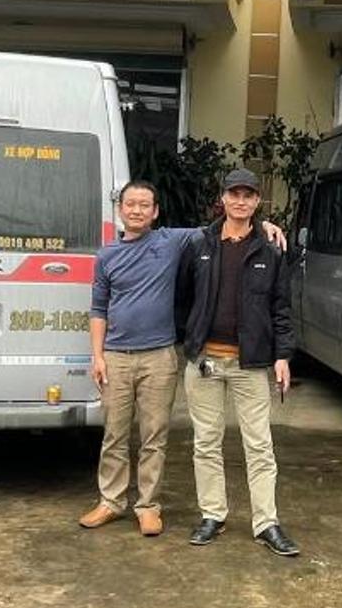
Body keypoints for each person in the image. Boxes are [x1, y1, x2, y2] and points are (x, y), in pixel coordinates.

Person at [81, 179, 281, 538]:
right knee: (114, 434)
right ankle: (110, 501)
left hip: (160, 355)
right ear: (120, 209)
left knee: (154, 435)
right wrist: (97, 355)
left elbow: (231, 224)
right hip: (115, 356)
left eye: (145, 204)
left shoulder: (173, 241)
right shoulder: (106, 255)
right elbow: (98, 308)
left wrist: (263, 224)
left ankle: (148, 506)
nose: (137, 210)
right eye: (131, 204)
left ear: (156, 211)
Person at [177, 168, 300, 559]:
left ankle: (266, 522)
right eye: (234, 194)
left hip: (251, 364)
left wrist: (282, 355)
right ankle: (212, 515)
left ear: (257, 201)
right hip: (205, 362)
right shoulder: (200, 243)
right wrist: (192, 337)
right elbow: (183, 297)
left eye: (248, 195)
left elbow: (281, 307)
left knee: (259, 445)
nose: (240, 201)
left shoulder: (271, 248)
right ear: (223, 198)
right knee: (206, 442)